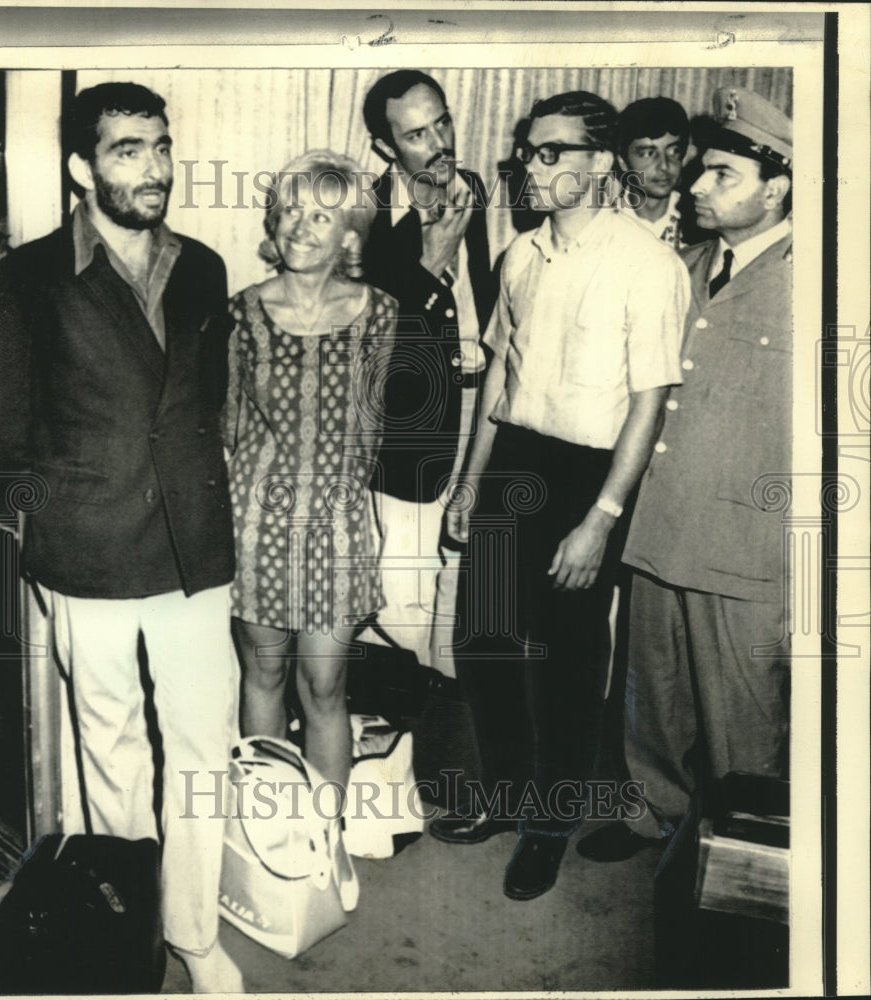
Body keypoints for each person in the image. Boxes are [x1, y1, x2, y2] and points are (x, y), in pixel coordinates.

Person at [0, 83, 242, 991]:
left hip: (195, 548)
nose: (154, 167)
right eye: (128, 149)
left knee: (205, 747)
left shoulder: (204, 267)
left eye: (161, 146)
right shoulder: (24, 277)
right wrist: (21, 554)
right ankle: (129, 931)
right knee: (111, 746)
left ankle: (196, 935)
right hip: (86, 547)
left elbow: (208, 407)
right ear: (83, 168)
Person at [434, 91, 690, 901]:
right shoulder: (518, 255)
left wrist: (600, 521)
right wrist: (469, 483)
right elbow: (500, 379)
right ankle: (507, 797)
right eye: (526, 153)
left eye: (550, 153)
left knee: (564, 663)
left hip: (589, 475)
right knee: (485, 641)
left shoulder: (646, 262)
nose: (530, 167)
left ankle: (548, 825)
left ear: (600, 164)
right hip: (513, 457)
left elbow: (648, 401)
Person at [578, 86, 792, 863]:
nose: (694, 186)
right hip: (661, 521)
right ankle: (650, 816)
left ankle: (740, 855)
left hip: (748, 548)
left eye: (720, 175)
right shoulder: (686, 264)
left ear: (778, 188)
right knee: (653, 697)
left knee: (741, 717)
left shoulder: (826, 281)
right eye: (699, 171)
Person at [226, 151, 394, 822]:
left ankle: (323, 839)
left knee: (324, 685)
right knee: (263, 675)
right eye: (291, 209)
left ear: (350, 236)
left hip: (336, 525)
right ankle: (271, 838)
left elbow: (373, 427)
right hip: (256, 525)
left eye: (322, 215)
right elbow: (229, 428)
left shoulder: (380, 314)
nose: (300, 226)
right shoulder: (241, 312)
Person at [360, 70, 496, 670]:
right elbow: (369, 348)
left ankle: (448, 721)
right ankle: (432, 693)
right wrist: (428, 264)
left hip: (483, 406)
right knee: (400, 595)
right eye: (417, 134)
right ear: (387, 148)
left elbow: (482, 296)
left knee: (465, 576)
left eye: (443, 122)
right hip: (410, 421)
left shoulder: (472, 189)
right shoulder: (363, 218)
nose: (440, 141)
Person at [617, 96, 690, 250]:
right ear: (623, 162)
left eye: (673, 151)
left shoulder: (699, 222)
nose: (664, 165)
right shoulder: (603, 221)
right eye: (648, 153)